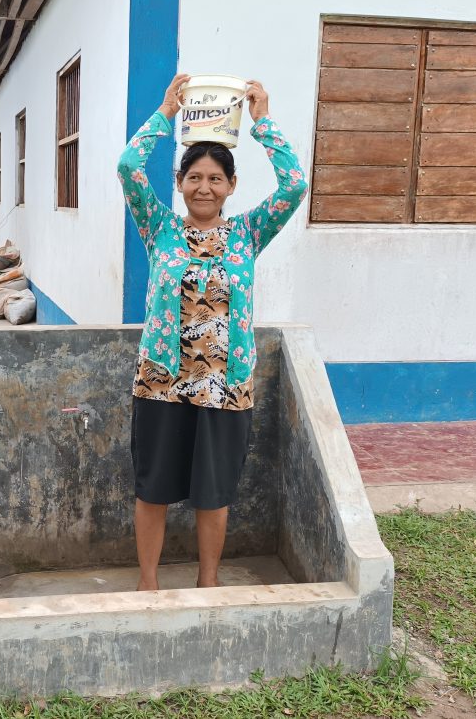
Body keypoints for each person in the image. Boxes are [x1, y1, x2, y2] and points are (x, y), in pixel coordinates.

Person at [117, 73, 308, 590]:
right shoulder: (159, 227)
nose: (205, 187)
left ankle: (208, 583)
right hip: (161, 382)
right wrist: (166, 112)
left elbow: (295, 186)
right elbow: (129, 166)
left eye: (216, 179)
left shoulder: (248, 233)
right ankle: (149, 583)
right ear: (180, 182)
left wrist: (263, 122)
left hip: (226, 386)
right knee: (153, 488)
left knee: (214, 492)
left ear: (231, 186)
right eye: (195, 177)